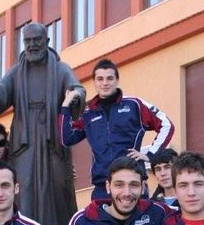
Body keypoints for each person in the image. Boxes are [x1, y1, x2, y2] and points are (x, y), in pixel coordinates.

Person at [0, 21, 86, 225]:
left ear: (47, 41)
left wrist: (76, 97)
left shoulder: (61, 69)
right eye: (27, 41)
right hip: (24, 142)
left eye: (36, 40)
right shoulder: (16, 72)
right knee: (23, 190)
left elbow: (77, 88)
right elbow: (0, 91)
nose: (32, 45)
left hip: (53, 140)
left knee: (58, 191)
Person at [59, 58, 173, 199]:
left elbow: (166, 125)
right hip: (102, 186)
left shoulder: (134, 105)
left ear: (117, 80)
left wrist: (150, 155)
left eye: (110, 78)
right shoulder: (88, 113)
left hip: (133, 182)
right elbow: (66, 138)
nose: (105, 83)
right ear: (94, 82)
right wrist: (65, 106)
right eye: (100, 79)